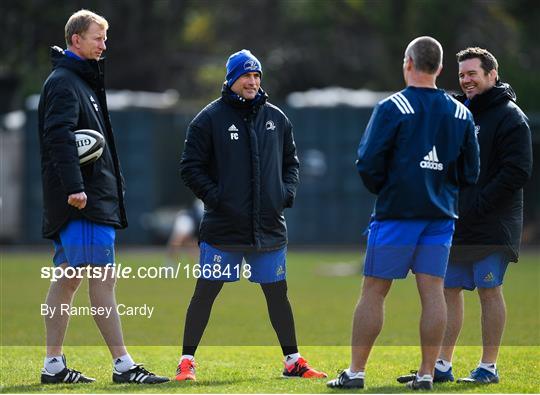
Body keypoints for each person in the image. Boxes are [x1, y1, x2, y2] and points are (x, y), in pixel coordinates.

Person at [327, 36, 480, 391]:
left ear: (407, 63)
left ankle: (356, 373)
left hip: (397, 216)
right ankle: (427, 374)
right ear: (441, 68)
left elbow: (367, 163)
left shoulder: (393, 106)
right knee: (434, 293)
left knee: (374, 292)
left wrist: (393, 189)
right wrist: (440, 187)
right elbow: (470, 173)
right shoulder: (461, 112)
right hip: (441, 218)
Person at [176, 49, 327, 381]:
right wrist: (218, 199)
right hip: (223, 227)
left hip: (269, 227)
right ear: (231, 80)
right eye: (246, 76)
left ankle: (293, 362)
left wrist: (285, 194)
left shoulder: (277, 118)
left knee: (277, 294)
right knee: (205, 292)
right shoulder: (208, 119)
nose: (253, 81)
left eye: (257, 76)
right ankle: (186, 362)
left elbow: (292, 163)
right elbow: (190, 168)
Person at [37, 9, 168, 384]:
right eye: (98, 37)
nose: (104, 44)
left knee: (67, 280)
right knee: (101, 281)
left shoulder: (81, 81)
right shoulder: (65, 82)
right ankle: (123, 366)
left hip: (89, 200)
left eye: (105, 38)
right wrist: (76, 187)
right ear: (75, 40)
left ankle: (53, 366)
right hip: (84, 203)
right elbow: (58, 137)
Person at [398, 47, 533, 385]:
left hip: (492, 222)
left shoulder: (511, 117)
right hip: (456, 221)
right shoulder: (457, 114)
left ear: (492, 74)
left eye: (472, 73)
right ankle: (442, 365)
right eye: (461, 74)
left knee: (489, 290)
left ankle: (488, 367)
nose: (466, 80)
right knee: (449, 290)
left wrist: (478, 204)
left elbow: (517, 172)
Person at [165, 199, 204, 266]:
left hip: (192, 223)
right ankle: (170, 263)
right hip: (186, 219)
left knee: (188, 242)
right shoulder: (203, 203)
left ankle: (170, 262)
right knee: (178, 240)